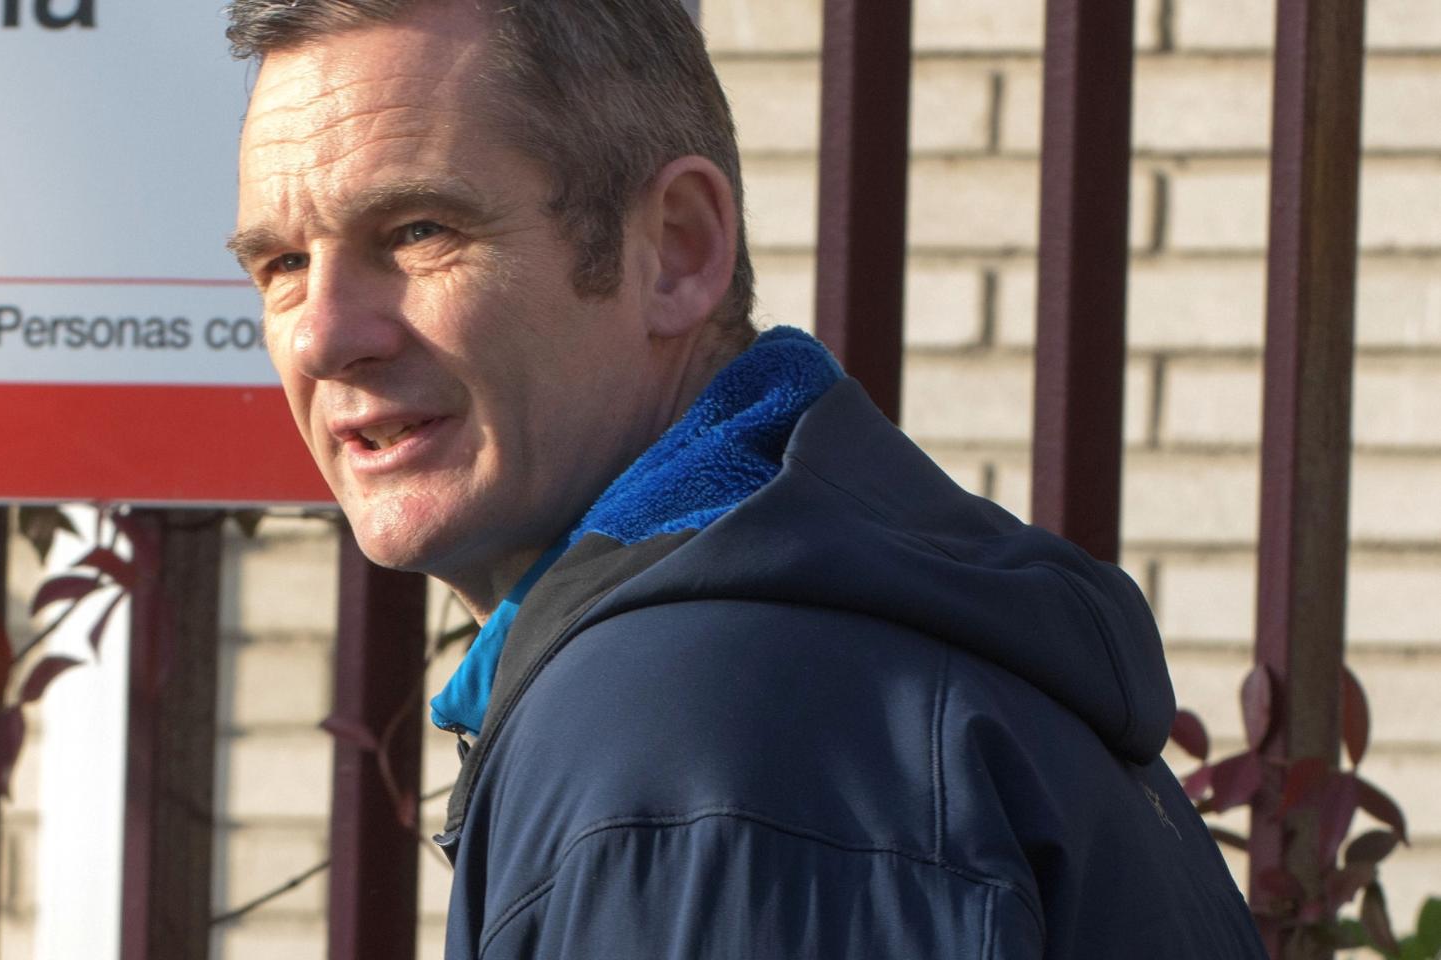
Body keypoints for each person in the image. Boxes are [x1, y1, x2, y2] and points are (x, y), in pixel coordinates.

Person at [224, 0, 1268, 956]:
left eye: (418, 231)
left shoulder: (699, 744)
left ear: (677, 250)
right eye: (281, 266)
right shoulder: (797, 654)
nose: (321, 336)